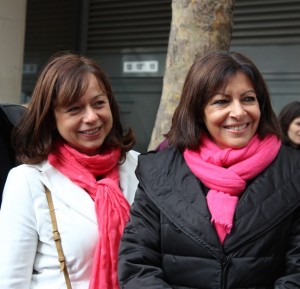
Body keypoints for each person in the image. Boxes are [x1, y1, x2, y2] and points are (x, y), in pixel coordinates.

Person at [118, 51, 300, 289]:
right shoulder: (159, 171)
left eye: (248, 99)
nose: (238, 112)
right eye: (221, 101)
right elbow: (137, 262)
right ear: (198, 111)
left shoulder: (293, 171)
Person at [0, 52, 139, 289]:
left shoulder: (137, 167)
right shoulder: (28, 180)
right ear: (52, 118)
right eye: (74, 109)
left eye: (98, 103)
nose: (91, 117)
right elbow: (12, 281)